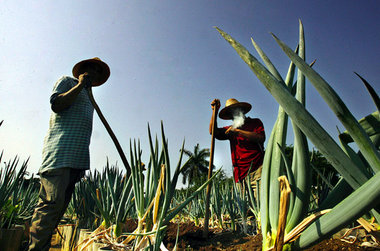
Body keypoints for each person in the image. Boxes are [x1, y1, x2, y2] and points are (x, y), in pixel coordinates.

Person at [28, 57, 110, 251]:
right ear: (82, 70)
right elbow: (57, 104)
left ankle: (42, 246)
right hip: (59, 154)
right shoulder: (67, 81)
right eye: (91, 69)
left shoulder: (90, 96)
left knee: (58, 210)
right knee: (50, 205)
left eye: (98, 72)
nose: (94, 73)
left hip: (77, 159)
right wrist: (80, 85)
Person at [209, 98, 265, 186]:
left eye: (235, 110)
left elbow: (260, 138)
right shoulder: (230, 129)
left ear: (241, 110)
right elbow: (213, 132)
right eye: (230, 113)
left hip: (257, 170)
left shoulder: (255, 123)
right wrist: (214, 112)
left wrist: (238, 132)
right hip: (240, 176)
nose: (233, 114)